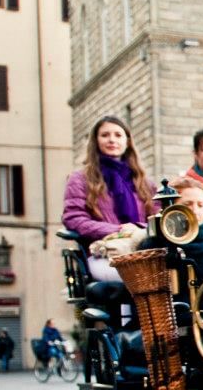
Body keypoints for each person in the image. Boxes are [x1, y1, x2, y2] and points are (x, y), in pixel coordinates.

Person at [63, 115, 154, 282]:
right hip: (103, 252)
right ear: (96, 141)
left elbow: (158, 219)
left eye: (118, 135)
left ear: (127, 141)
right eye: (105, 135)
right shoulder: (80, 179)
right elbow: (74, 218)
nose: (112, 140)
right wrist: (118, 230)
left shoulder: (144, 183)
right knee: (138, 279)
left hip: (142, 250)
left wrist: (136, 229)